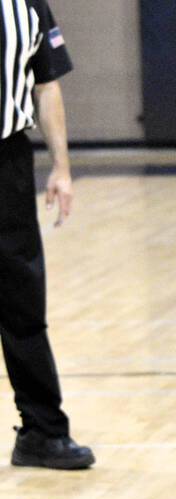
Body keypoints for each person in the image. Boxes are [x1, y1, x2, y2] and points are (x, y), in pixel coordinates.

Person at [1, 0, 94, 469]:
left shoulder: (28, 4)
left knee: (22, 303)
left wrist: (62, 166)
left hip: (8, 163)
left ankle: (42, 431)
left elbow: (46, 83)